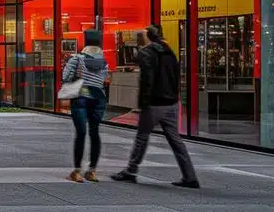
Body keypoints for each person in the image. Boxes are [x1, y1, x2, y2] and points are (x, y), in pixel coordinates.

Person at [112, 24, 199, 188]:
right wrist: (175, 97)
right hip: (171, 103)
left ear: (148, 36)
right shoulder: (170, 52)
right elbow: (176, 76)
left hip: (154, 103)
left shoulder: (146, 53)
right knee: (175, 140)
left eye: (144, 34)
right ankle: (190, 176)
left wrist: (143, 103)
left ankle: (131, 171)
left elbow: (147, 80)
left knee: (142, 137)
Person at [63, 29, 109, 183]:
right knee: (94, 134)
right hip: (99, 98)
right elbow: (103, 80)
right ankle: (92, 171)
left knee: (81, 133)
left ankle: (76, 171)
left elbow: (66, 77)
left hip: (82, 96)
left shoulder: (77, 58)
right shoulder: (104, 62)